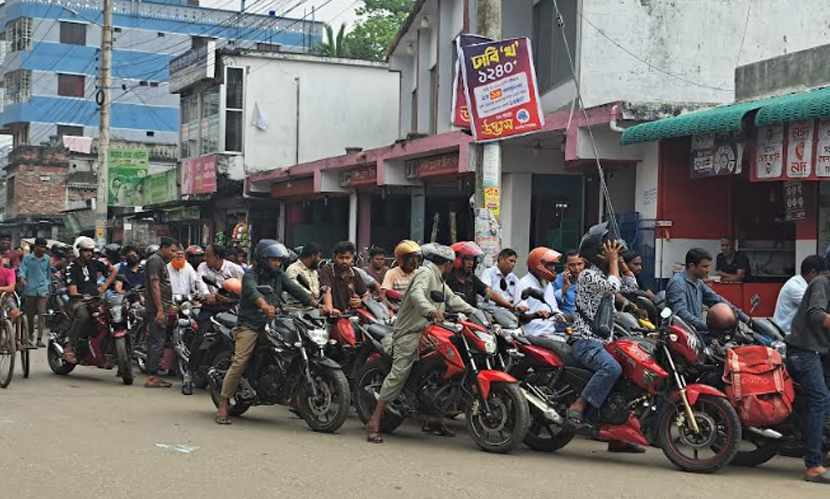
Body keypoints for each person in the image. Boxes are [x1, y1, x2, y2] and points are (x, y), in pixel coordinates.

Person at [366, 243, 476, 444]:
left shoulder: (440, 280)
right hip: (410, 333)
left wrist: (478, 314)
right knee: (399, 372)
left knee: (446, 366)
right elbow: (417, 295)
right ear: (449, 264)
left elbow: (453, 300)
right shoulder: (426, 273)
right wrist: (430, 310)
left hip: (430, 332)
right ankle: (375, 420)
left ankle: (433, 418)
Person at [216, 239, 317, 424]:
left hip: (274, 323)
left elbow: (296, 290)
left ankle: (293, 397)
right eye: (273, 259)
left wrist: (316, 304)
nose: (278, 263)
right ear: (263, 258)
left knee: (294, 349)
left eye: (279, 260)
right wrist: (264, 305)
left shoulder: (279, 275)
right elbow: (254, 292)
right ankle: (223, 403)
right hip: (250, 324)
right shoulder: (250, 275)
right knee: (240, 361)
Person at [565, 223, 643, 453]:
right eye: (609, 248)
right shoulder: (588, 276)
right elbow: (613, 287)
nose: (614, 251)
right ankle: (578, 405)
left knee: (628, 378)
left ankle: (616, 437)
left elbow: (630, 287)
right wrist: (613, 263)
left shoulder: (604, 273)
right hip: (586, 341)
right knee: (611, 370)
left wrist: (620, 263)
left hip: (603, 342)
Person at [784, 267, 830, 483]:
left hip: (818, 351)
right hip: (804, 352)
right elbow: (816, 314)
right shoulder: (821, 283)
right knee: (820, 399)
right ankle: (813, 465)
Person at [182, 243, 244, 395]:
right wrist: (208, 296)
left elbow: (245, 287)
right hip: (210, 308)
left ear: (217, 257)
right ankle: (188, 376)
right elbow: (200, 282)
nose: (205, 258)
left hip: (232, 308)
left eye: (207, 255)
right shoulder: (203, 267)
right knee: (202, 337)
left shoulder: (235, 269)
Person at [666, 248, 750, 334]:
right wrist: (708, 327)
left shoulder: (698, 282)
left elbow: (717, 300)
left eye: (709, 266)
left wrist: (746, 319)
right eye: (704, 267)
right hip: (680, 337)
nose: (708, 270)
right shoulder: (678, 283)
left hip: (694, 334)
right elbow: (680, 313)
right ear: (692, 266)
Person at [63, 237, 118, 363]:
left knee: (111, 315)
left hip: (96, 300)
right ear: (78, 251)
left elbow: (114, 270)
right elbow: (72, 292)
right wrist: (83, 296)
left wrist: (105, 286)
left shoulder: (95, 263)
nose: (89, 253)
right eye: (86, 251)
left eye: (91, 251)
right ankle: (69, 347)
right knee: (83, 316)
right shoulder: (71, 268)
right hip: (78, 301)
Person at [144, 238, 179, 388]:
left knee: (160, 340)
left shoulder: (161, 262)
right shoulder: (154, 261)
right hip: (156, 308)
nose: (173, 254)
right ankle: (152, 377)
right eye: (171, 251)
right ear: (163, 248)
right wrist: (159, 309)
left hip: (164, 307)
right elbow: (155, 286)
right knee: (157, 341)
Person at [446, 241, 519, 311]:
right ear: (457, 260)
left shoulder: (472, 278)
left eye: (472, 259)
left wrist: (510, 306)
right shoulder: (447, 279)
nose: (470, 263)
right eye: (467, 259)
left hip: (472, 317)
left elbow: (489, 292)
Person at [773, 255, 825, 335]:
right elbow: (817, 309)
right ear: (813, 273)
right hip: (786, 335)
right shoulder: (795, 287)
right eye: (824, 276)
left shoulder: (806, 285)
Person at [319, 241, 369, 316]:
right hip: (330, 318)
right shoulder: (327, 271)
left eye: (347, 258)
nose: (344, 261)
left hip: (350, 317)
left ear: (352, 258)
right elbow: (326, 291)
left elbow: (366, 295)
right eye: (341, 258)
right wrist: (330, 309)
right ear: (334, 257)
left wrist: (361, 302)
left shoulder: (354, 273)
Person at [519, 247, 561, 336]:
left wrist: (571, 317)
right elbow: (520, 317)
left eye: (554, 265)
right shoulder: (523, 284)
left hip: (550, 332)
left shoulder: (547, 284)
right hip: (533, 334)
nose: (553, 268)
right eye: (550, 265)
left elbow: (554, 310)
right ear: (539, 264)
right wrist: (535, 315)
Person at [18, 237, 51, 347]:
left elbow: (48, 274)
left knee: (42, 314)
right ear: (36, 247)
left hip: (43, 289)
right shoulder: (27, 258)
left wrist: (47, 287)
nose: (43, 249)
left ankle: (39, 338)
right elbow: (22, 270)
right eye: (41, 247)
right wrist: (22, 279)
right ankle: (30, 334)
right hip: (30, 289)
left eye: (44, 247)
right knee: (30, 315)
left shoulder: (47, 259)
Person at [285, 242, 323, 309]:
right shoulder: (293, 269)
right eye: (319, 256)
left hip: (314, 310)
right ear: (312, 256)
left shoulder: (314, 272)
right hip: (296, 311)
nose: (320, 259)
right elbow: (297, 291)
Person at [553, 250, 584, 320]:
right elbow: (551, 305)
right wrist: (565, 287)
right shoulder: (556, 281)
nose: (577, 268)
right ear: (566, 266)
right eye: (572, 265)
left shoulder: (590, 279)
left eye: (579, 264)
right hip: (565, 323)